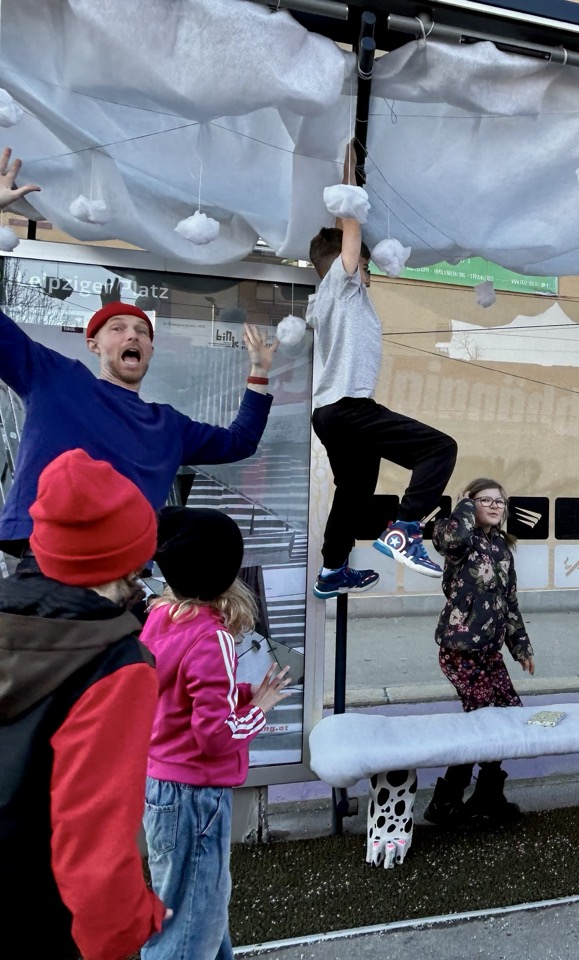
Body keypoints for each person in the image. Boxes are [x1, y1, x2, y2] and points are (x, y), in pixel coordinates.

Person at [0, 148, 277, 561]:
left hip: (125, 572)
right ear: (93, 344)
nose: (133, 335)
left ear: (149, 349)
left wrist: (258, 372)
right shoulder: (56, 379)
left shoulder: (168, 426)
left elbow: (239, 442)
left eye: (142, 332)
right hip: (50, 561)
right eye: (117, 328)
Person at [0, 449, 167, 959]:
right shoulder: (116, 665)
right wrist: (128, 926)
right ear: (127, 560)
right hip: (42, 916)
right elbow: (93, 840)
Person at [140, 507, 292, 959]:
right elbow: (216, 737)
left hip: (163, 786)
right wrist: (258, 709)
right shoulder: (214, 636)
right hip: (196, 796)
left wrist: (240, 693)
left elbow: (178, 696)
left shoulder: (162, 617)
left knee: (193, 911)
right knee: (191, 930)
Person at [306, 152, 458, 600]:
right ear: (351, 265)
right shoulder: (342, 285)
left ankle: (332, 570)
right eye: (365, 265)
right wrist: (351, 169)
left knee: (354, 492)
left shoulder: (323, 300)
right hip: (349, 407)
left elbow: (341, 235)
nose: (368, 272)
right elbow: (349, 232)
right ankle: (405, 530)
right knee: (439, 448)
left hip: (329, 414)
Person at [424, 478, 532, 825]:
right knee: (484, 719)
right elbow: (451, 539)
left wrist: (521, 647)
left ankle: (487, 796)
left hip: (489, 653)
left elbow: (510, 603)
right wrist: (465, 507)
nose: (495, 506)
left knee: (507, 714)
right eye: (486, 500)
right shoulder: (458, 538)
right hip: (460, 650)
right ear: (469, 503)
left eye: (500, 501)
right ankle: (445, 802)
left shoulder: (501, 548)